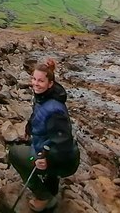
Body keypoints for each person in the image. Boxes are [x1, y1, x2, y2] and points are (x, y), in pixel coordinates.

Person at [8, 58, 80, 212]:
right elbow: (38, 115)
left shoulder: (55, 110)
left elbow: (63, 143)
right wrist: (29, 130)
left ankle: (44, 196)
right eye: (33, 79)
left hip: (62, 160)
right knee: (30, 147)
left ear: (50, 84)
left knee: (14, 153)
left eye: (40, 81)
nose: (35, 83)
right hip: (52, 151)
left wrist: (46, 158)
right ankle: (51, 186)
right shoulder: (46, 95)